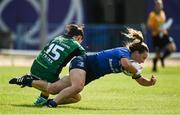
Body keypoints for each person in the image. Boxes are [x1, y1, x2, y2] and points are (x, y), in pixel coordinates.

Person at [9, 28, 157, 107]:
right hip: (82, 62)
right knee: (78, 86)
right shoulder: (124, 52)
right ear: (136, 52)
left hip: (89, 74)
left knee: (59, 92)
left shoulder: (132, 63)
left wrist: (149, 83)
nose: (143, 62)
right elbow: (126, 65)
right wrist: (135, 70)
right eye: (143, 58)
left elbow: (139, 80)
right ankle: (52, 104)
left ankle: (27, 81)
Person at [9, 24, 86, 106]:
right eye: (81, 41)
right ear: (79, 37)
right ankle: (27, 81)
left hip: (35, 66)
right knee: (77, 97)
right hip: (48, 73)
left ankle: (42, 99)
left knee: (52, 77)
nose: (80, 43)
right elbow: (86, 59)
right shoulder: (76, 46)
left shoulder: (58, 38)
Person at [147, 0, 176, 72]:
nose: (159, 6)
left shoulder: (163, 13)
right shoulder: (152, 15)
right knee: (157, 54)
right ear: (155, 6)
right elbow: (149, 26)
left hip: (164, 35)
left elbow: (163, 24)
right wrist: (157, 29)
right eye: (158, 5)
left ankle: (162, 58)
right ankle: (154, 65)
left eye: (160, 4)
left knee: (172, 48)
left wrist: (164, 28)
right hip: (156, 36)